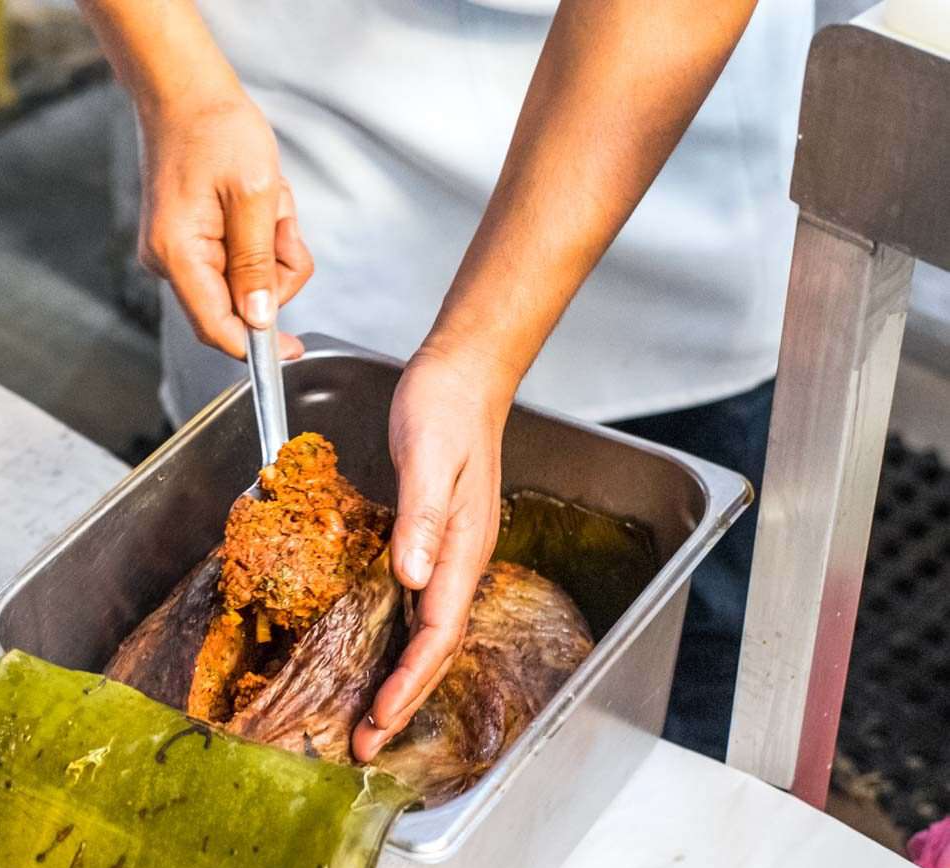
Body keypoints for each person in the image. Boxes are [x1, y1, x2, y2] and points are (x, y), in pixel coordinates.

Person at [78, 0, 813, 762]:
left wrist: (478, 357)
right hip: (278, 111)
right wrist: (180, 91)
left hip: (645, 137)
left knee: (678, 693)